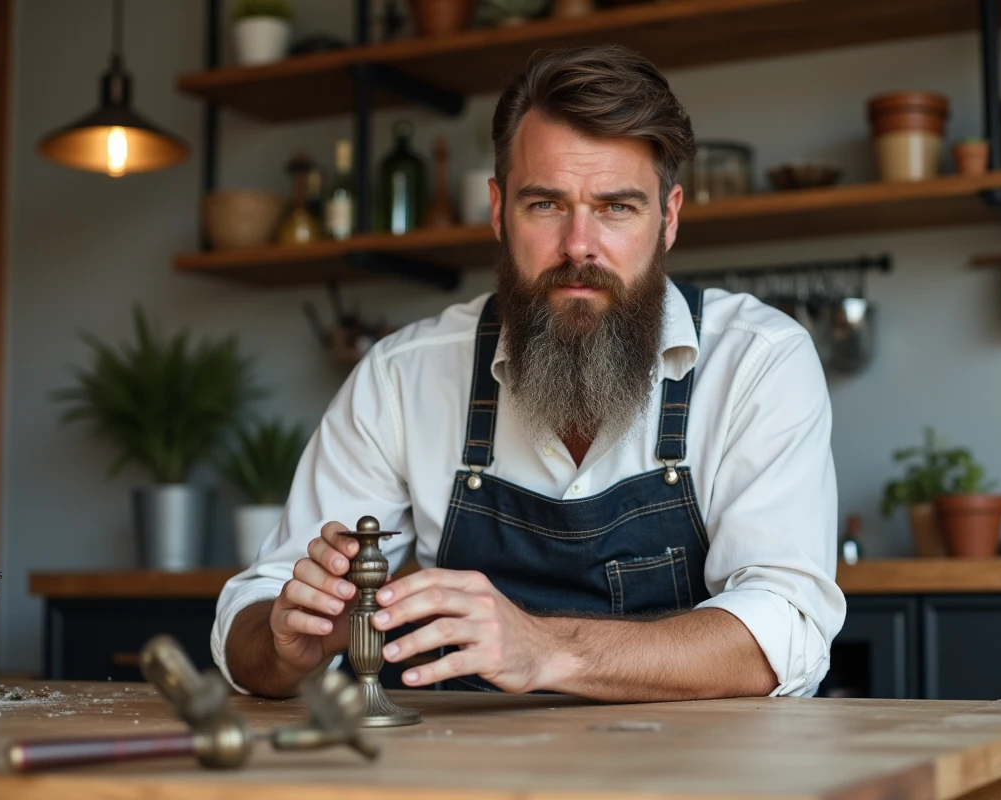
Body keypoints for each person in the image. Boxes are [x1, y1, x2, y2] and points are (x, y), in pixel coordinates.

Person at [212, 43, 845, 702]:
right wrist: (287, 649)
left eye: (616, 208)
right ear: (497, 210)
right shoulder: (403, 378)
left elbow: (785, 632)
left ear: (669, 218)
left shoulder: (757, 362)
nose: (579, 245)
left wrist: (547, 650)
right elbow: (255, 615)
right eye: (545, 204)